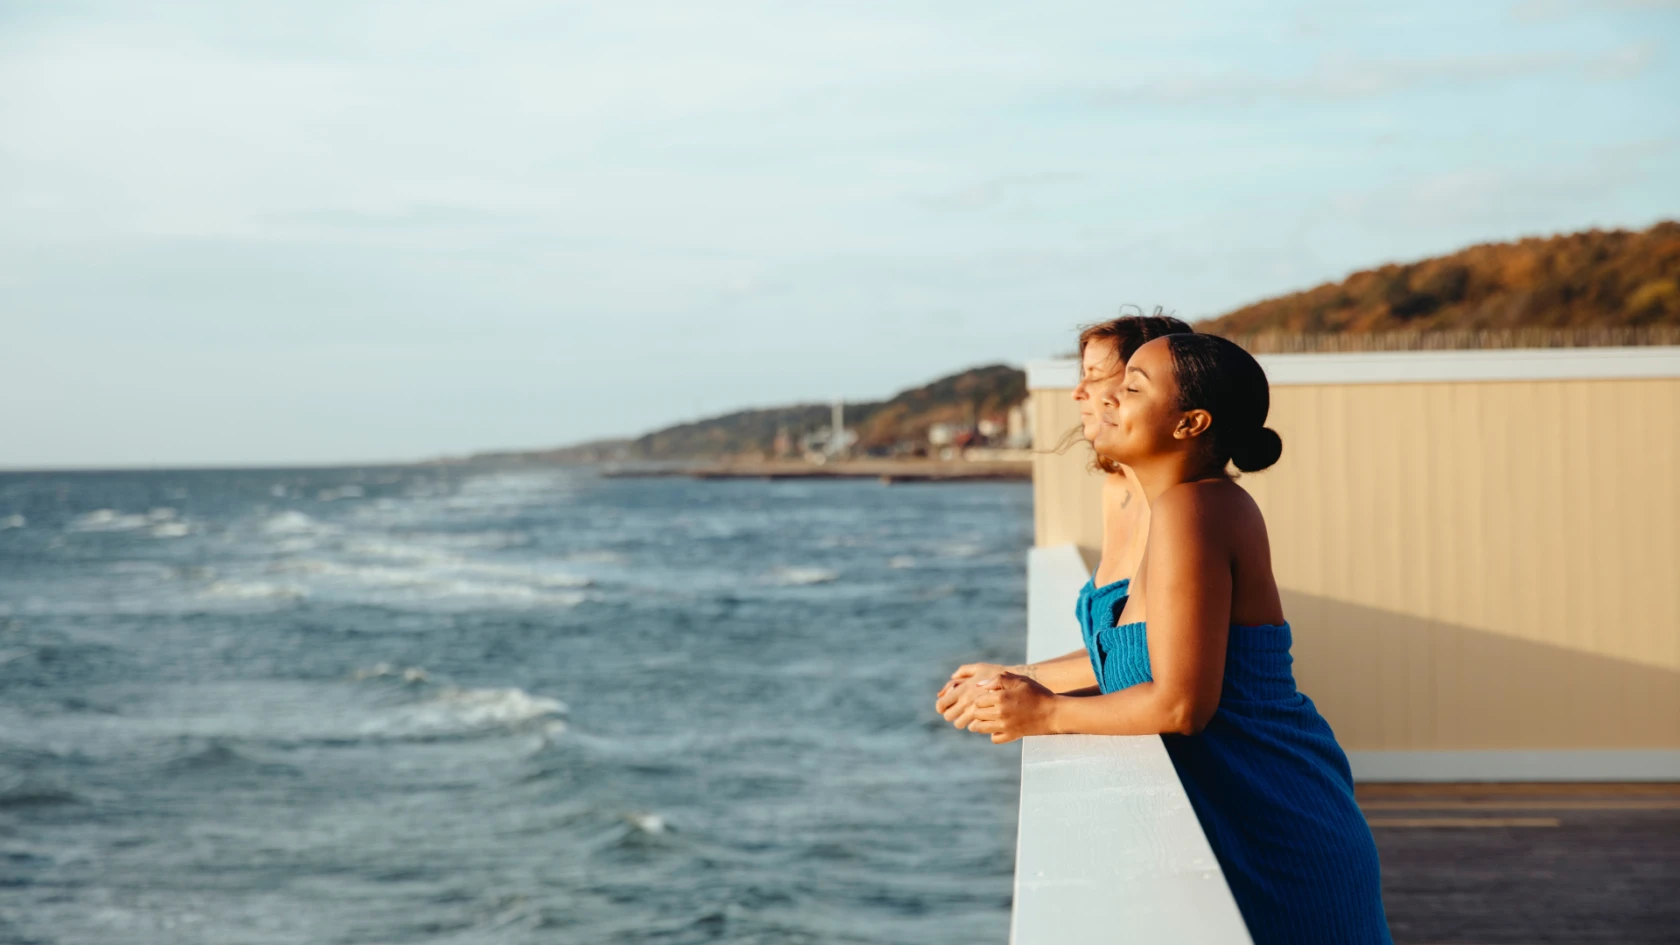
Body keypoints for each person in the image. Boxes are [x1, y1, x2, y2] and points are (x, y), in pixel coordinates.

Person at [962, 334, 1391, 944]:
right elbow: (1147, 662)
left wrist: (1045, 712)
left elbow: (1182, 705)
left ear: (1190, 422)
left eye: (1132, 388)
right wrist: (1017, 679)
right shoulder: (1185, 508)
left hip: (1273, 824)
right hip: (1248, 811)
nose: (1107, 399)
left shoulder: (1196, 510)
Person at [936, 314, 1190, 728]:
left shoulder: (1182, 509)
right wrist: (1011, 677)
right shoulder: (1118, 489)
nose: (1079, 392)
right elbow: (1116, 651)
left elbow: (1159, 669)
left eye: (1094, 375)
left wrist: (1024, 689)